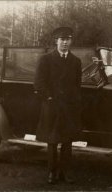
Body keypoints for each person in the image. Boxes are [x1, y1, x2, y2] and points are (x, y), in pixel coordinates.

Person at [34, 26, 82, 184]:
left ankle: (65, 173)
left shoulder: (76, 61)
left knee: (67, 142)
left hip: (68, 108)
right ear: (56, 41)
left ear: (71, 41)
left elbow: (77, 84)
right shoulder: (46, 59)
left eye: (68, 39)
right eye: (62, 40)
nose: (65, 43)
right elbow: (39, 83)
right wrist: (48, 97)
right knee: (52, 141)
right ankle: (52, 173)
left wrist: (73, 102)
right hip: (52, 106)